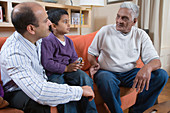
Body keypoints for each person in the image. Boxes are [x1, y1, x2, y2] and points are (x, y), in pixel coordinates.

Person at [0, 2, 96, 113]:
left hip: (42, 79)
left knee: (72, 85)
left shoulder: (39, 38)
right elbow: (40, 91)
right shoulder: (14, 53)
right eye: (46, 21)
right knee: (42, 105)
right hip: (18, 91)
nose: (50, 23)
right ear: (31, 29)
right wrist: (80, 91)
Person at [88, 2, 169, 113]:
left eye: (125, 18)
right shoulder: (104, 31)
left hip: (129, 73)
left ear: (134, 21)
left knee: (161, 75)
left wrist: (147, 68)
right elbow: (91, 53)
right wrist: (93, 63)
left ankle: (137, 111)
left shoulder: (140, 35)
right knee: (105, 79)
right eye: (118, 16)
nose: (119, 21)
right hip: (107, 72)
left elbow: (156, 61)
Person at [41, 8, 97, 113]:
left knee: (84, 78)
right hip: (54, 73)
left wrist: (77, 63)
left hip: (69, 71)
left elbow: (73, 57)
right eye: (65, 22)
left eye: (69, 21)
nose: (69, 24)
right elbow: (47, 63)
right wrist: (66, 68)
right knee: (61, 88)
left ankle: (91, 111)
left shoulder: (69, 41)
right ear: (54, 26)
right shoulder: (48, 40)